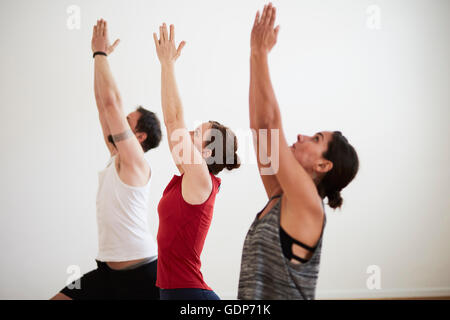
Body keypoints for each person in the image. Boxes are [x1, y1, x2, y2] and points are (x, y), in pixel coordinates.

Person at [238, 3, 360, 300]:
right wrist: (255, 54)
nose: (302, 135)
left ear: (323, 165)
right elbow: (260, 129)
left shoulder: (309, 204)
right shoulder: (281, 196)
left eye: (316, 138)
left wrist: (261, 53)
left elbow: (269, 123)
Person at [51, 19, 162, 300]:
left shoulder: (136, 164)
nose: (117, 125)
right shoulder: (116, 157)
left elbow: (113, 104)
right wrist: (98, 59)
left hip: (142, 275)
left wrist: (100, 54)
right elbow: (103, 105)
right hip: (107, 272)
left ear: (139, 137)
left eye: (127, 123)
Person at [153, 23, 240, 300]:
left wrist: (167, 64)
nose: (188, 133)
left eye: (197, 133)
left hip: (190, 295)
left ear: (207, 153)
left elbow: (173, 120)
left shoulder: (201, 181)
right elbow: (172, 125)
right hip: (172, 292)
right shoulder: (190, 179)